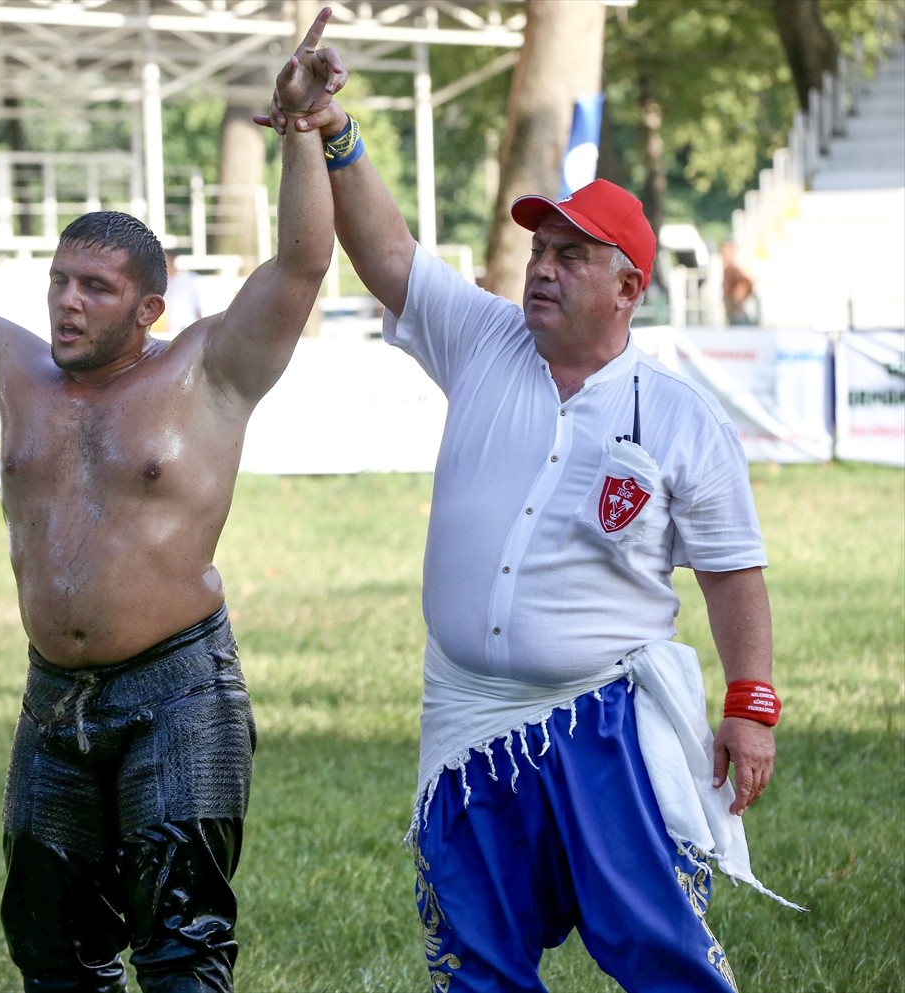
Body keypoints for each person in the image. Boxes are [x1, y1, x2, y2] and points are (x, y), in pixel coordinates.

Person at [0, 10, 339, 992]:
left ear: (148, 309)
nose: (66, 301)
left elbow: (301, 265)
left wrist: (306, 135)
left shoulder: (208, 372)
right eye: (59, 281)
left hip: (180, 691)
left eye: (95, 287)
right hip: (53, 699)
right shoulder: (9, 372)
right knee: (50, 948)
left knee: (181, 948)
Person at [260, 48, 799, 993]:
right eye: (539, 252)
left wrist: (750, 709)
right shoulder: (482, 340)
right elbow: (386, 253)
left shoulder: (680, 419)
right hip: (465, 719)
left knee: (658, 953)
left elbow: (732, 572)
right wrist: (334, 129)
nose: (540, 270)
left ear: (630, 287)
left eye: (570, 257)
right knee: (477, 962)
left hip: (601, 724)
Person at [157, 249, 204, 337]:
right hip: (171, 332)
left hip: (190, 329)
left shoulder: (189, 279)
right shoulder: (161, 285)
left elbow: (198, 307)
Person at [720, 238, 757, 326]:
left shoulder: (733, 271)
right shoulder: (726, 270)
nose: (724, 255)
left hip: (736, 315)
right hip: (733, 315)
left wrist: (737, 302)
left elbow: (746, 284)